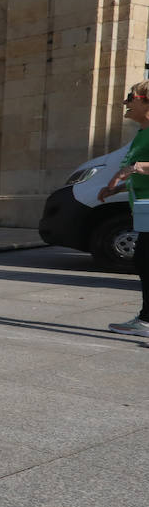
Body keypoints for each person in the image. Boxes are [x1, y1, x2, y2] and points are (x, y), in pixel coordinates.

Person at [99, 81, 149, 337]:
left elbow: (139, 168)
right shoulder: (142, 133)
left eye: (131, 97)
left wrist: (134, 168)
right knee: (144, 260)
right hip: (144, 208)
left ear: (146, 101)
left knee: (145, 260)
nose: (126, 102)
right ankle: (145, 320)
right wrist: (115, 189)